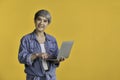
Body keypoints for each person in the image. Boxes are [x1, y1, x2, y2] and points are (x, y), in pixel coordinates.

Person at [18, 9, 65, 80]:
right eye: (39, 19)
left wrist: (58, 59)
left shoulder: (52, 40)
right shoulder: (26, 39)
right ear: (34, 20)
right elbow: (21, 58)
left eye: (45, 21)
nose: (41, 23)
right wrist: (37, 55)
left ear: (48, 23)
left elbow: (55, 59)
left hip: (51, 77)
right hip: (34, 78)